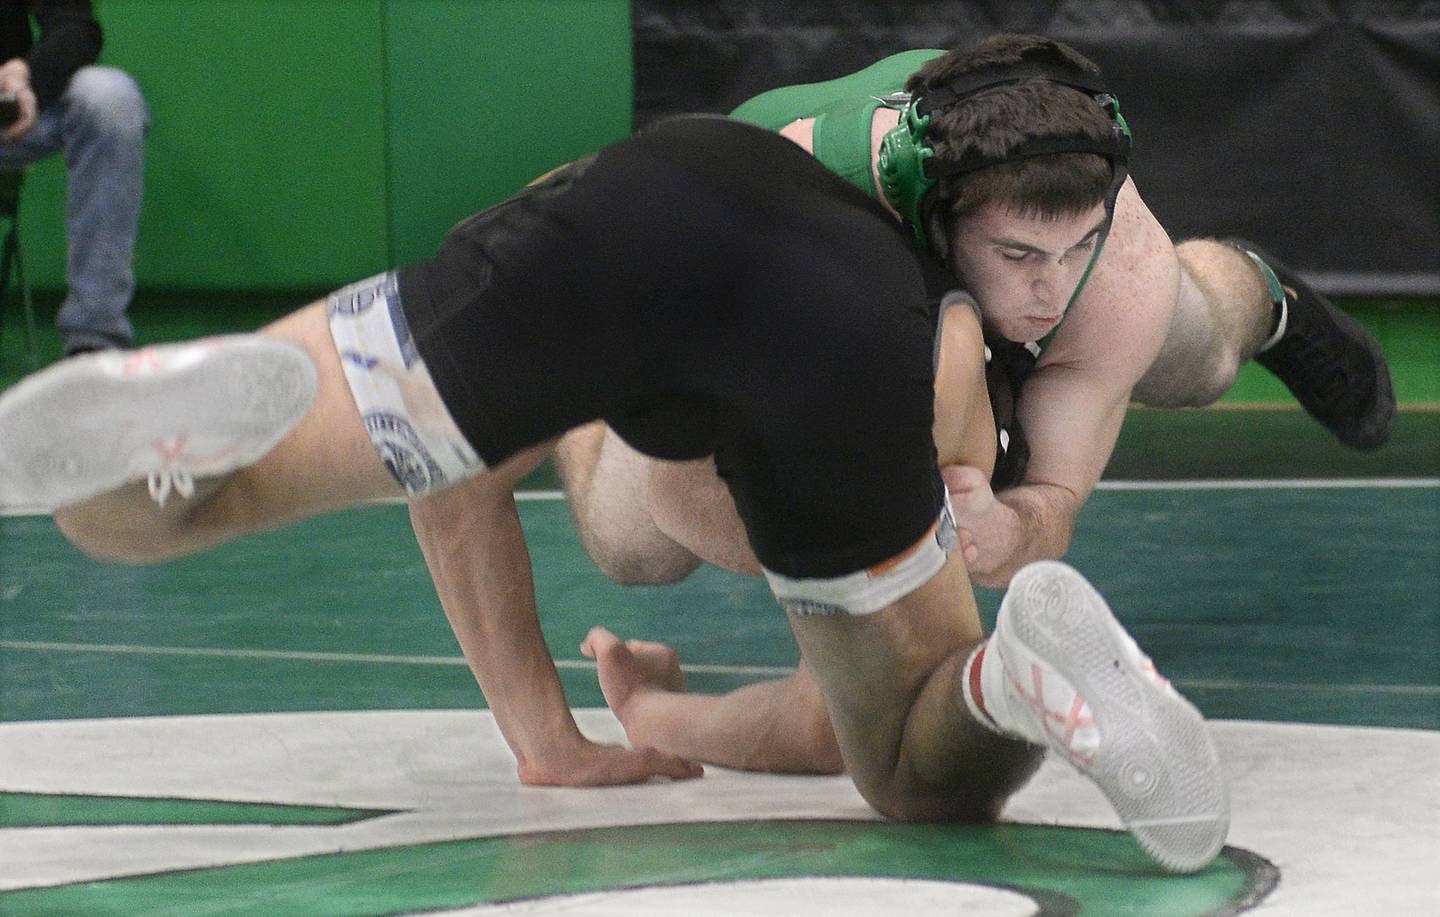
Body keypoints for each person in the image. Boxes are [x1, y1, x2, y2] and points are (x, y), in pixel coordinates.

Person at [0, 105, 1225, 871]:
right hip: (841, 314)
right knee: (913, 764)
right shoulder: (939, 300)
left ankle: (161, 434)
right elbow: (823, 713)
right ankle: (1012, 675)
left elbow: (456, 486)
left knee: (118, 517)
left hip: (631, 206)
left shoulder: (628, 202)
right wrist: (667, 721)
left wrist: (553, 736)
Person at [556, 32, 1394, 782]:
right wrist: (654, 705)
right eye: (1021, 254)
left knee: (1198, 356)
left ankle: (1266, 293)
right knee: (632, 546)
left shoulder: (1110, 263)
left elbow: (1052, 503)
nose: (1050, 287)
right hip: (789, 289)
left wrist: (1007, 525)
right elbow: (683, 501)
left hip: (945, 248)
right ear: (943, 222)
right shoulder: (771, 251)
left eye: (1075, 246)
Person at [0, 0, 147, 356]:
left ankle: (94, 343)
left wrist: (24, 73)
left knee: (108, 96)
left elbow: (76, 27)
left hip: (11, 115)